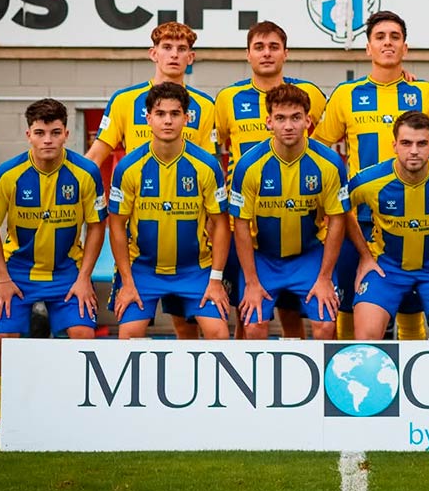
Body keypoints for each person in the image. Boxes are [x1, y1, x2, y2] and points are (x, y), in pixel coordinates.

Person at [312, 10, 429, 340]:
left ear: (405, 47)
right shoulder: (346, 94)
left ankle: (414, 383)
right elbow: (318, 145)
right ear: (368, 48)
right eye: (380, 37)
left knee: (411, 305)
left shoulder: (425, 93)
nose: (387, 43)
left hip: (415, 215)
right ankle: (350, 373)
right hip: (358, 218)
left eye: (395, 37)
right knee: (349, 302)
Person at [0, 98, 107, 446]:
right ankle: (4, 421)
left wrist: (84, 279)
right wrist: (2, 279)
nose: (47, 139)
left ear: (66, 133)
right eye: (39, 132)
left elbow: (97, 226)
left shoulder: (85, 173)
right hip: (16, 273)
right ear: (28, 135)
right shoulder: (8, 174)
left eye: (54, 132)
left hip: (68, 273)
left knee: (83, 336)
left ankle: (77, 418)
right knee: (5, 341)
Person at [86, 21, 216, 340]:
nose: (174, 55)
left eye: (181, 49)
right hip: (141, 234)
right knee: (131, 332)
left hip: (188, 232)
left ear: (191, 57)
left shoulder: (205, 106)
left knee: (189, 326)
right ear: (153, 53)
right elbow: (93, 160)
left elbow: (211, 172)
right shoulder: (125, 101)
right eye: (167, 48)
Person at [215, 20, 326, 338]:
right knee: (247, 312)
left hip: (298, 215)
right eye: (259, 47)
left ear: (286, 53)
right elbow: (214, 149)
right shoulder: (227, 99)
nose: (266, 53)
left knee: (293, 309)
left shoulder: (311, 95)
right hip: (247, 222)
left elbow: (322, 143)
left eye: (274, 47)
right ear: (247, 54)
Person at [108, 82, 230, 340]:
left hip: (195, 269)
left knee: (218, 334)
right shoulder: (128, 167)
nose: (168, 121)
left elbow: (220, 224)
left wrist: (216, 279)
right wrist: (127, 282)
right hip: (143, 269)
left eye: (175, 114)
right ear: (148, 118)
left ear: (186, 118)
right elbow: (117, 225)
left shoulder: (207, 165)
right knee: (128, 336)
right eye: (160, 114)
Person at [230, 83, 349, 340]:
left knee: (326, 326)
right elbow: (240, 224)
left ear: (308, 120)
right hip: (263, 257)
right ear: (268, 122)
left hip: (310, 256)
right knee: (253, 326)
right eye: (280, 118)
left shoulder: (329, 163)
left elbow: (338, 220)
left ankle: (324, 380)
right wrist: (251, 282)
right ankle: (256, 381)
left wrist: (325, 277)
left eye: (296, 118)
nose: (288, 126)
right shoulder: (249, 165)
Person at [348, 111, 429, 340]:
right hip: (384, 266)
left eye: (421, 143)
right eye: (406, 143)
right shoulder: (367, 182)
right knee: (366, 337)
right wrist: (365, 256)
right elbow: (341, 211)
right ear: (394, 145)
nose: (414, 151)